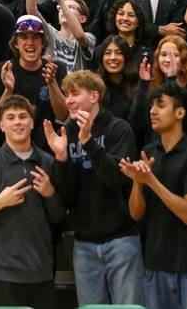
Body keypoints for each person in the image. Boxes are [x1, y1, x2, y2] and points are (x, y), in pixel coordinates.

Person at [43, 70, 142, 305]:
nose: (68, 101)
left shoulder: (119, 129)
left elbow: (118, 181)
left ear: (94, 96)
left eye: (75, 94)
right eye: (67, 95)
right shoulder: (68, 131)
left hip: (121, 240)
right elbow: (66, 196)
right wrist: (61, 159)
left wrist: (88, 143)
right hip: (84, 244)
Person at [119, 82, 187, 309]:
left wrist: (151, 181)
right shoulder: (149, 152)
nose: (152, 111)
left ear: (180, 112)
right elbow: (136, 213)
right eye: (151, 106)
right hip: (155, 266)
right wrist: (137, 182)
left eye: (160, 106)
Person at [0, 94, 64, 309]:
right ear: (1, 125)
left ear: (31, 122)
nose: (17, 122)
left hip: (42, 271)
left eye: (22, 116)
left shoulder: (48, 162)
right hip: (2, 274)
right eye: (10, 117)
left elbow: (59, 219)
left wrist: (50, 194)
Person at [0, 15, 68, 150]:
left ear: (43, 43)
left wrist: (52, 83)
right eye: (24, 37)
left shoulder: (55, 69)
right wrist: (8, 90)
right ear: (16, 43)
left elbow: (63, 115)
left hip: (45, 150)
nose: (30, 42)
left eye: (35, 37)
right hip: (8, 151)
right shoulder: (3, 69)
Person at [26, 0, 95, 72]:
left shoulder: (90, 37)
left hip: (75, 87)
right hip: (51, 85)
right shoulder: (51, 32)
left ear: (83, 18)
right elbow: (32, 11)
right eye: (60, 9)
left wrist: (61, 2)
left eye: (71, 8)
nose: (63, 10)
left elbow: (79, 36)